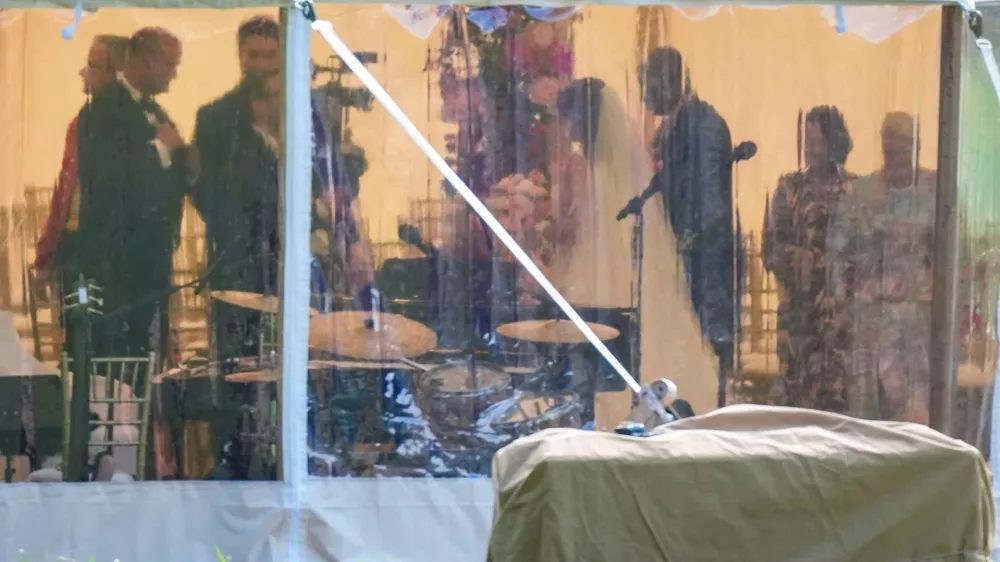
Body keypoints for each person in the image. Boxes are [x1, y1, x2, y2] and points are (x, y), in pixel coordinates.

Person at [77, 27, 190, 358]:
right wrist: (162, 150)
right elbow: (107, 179)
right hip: (118, 267)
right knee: (121, 360)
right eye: (170, 65)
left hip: (153, 263)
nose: (174, 74)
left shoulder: (158, 112)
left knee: (149, 357)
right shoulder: (100, 112)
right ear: (144, 61)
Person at [642, 46, 741, 407]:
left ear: (669, 81)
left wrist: (683, 245)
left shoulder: (706, 125)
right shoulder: (674, 126)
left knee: (709, 346)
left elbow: (712, 203)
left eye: (648, 85)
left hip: (706, 262)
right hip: (682, 258)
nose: (644, 96)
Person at [828, 112, 935, 423]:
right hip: (870, 316)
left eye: (904, 148)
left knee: (916, 401)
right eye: (891, 148)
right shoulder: (860, 194)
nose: (898, 157)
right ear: (882, 146)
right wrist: (839, 301)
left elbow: (956, 251)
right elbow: (837, 249)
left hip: (920, 317)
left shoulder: (934, 191)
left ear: (916, 146)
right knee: (868, 403)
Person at [763, 106, 854, 414]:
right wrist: (798, 258)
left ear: (834, 143)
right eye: (807, 142)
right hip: (799, 307)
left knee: (835, 391)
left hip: (840, 310)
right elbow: (772, 246)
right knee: (795, 389)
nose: (811, 151)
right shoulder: (789, 189)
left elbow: (864, 250)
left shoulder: (854, 191)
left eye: (818, 143)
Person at [35, 35, 128, 288]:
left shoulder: (134, 125)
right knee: (77, 320)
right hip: (74, 249)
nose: (82, 72)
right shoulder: (80, 123)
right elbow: (65, 191)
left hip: (110, 256)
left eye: (92, 65)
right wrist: (46, 254)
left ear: (117, 73)